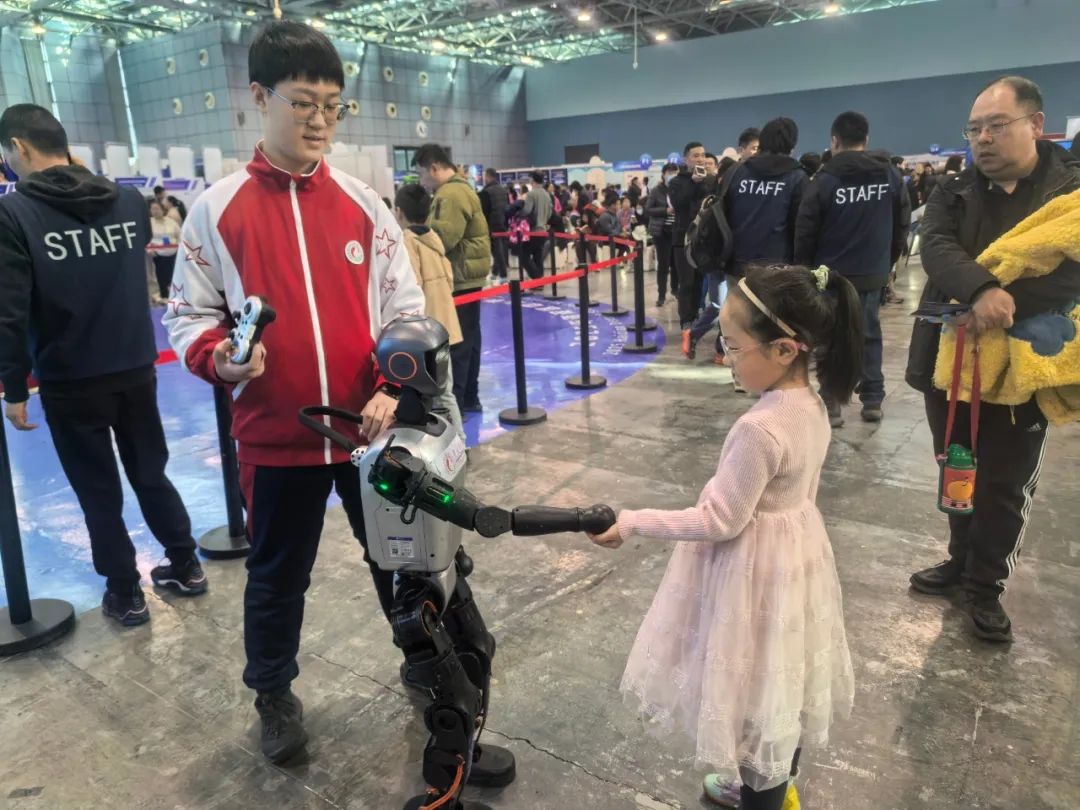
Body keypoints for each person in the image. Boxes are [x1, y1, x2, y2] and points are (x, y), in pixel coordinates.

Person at [163, 21, 425, 764]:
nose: (319, 121)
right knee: (277, 578)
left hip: (366, 433)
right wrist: (221, 360)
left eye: (333, 106)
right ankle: (273, 694)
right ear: (259, 96)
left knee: (398, 561)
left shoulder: (363, 204)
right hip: (275, 440)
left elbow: (404, 309)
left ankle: (423, 659)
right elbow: (188, 316)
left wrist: (391, 384)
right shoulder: (216, 210)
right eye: (303, 102)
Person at [586, 262, 859, 810]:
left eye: (733, 347)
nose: (725, 356)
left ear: (784, 349)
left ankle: (764, 797)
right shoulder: (813, 403)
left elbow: (719, 521)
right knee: (781, 686)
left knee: (752, 695)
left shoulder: (760, 427)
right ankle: (775, 783)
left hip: (753, 575)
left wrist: (633, 521)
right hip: (795, 562)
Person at [0, 104, 205, 628]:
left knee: (98, 492)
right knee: (151, 472)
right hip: (135, 366)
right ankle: (186, 564)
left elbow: (10, 309)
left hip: (71, 377)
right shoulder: (128, 201)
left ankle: (124, 591)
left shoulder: (14, 214)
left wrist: (13, 385)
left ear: (18, 148)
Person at [906, 76, 1080, 643]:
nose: (983, 138)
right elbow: (937, 247)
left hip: (1024, 362)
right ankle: (959, 560)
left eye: (996, 125)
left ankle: (986, 586)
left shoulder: (1070, 191)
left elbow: (1068, 272)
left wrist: (1002, 302)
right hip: (949, 359)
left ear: (1036, 124)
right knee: (956, 465)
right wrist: (980, 289)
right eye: (974, 128)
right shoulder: (954, 188)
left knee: (1005, 482)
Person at [795, 111, 909, 427]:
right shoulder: (889, 175)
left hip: (830, 276)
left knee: (830, 337)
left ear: (834, 141)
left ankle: (832, 402)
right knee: (869, 333)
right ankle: (872, 399)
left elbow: (805, 230)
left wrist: (805, 270)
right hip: (871, 272)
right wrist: (887, 263)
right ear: (866, 140)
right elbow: (902, 222)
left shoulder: (824, 180)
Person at [720, 118, 808, 387]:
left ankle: (740, 378)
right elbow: (800, 227)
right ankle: (771, 378)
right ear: (792, 146)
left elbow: (723, 215)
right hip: (778, 270)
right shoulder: (797, 178)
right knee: (774, 328)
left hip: (738, 263)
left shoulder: (737, 173)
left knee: (739, 325)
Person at [414, 142, 490, 415]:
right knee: (469, 341)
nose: (422, 181)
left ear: (433, 168)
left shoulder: (450, 194)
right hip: (468, 276)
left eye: (421, 174)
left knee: (457, 345)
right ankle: (469, 398)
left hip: (460, 278)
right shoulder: (460, 189)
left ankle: (455, 404)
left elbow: (441, 239)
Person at [394, 183, 465, 440]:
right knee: (445, 391)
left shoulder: (407, 242)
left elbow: (410, 289)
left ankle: (456, 444)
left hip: (423, 333)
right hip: (444, 326)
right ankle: (458, 443)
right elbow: (450, 281)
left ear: (399, 211)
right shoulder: (435, 240)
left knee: (432, 394)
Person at [669, 141, 715, 353]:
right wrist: (694, 183)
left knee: (699, 282)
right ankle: (686, 322)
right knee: (686, 282)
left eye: (702, 155)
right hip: (683, 239)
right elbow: (678, 204)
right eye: (695, 155)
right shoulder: (677, 182)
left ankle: (696, 316)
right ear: (686, 159)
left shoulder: (710, 180)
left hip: (704, 239)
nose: (700, 159)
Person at [644, 162, 679, 304]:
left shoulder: (678, 189)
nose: (672, 175)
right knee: (663, 264)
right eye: (669, 173)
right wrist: (665, 211)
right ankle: (661, 295)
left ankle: (675, 290)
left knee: (676, 264)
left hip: (677, 230)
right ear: (663, 174)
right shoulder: (656, 190)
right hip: (661, 232)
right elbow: (648, 209)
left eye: (675, 172)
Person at [519, 170, 552, 280]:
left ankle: (537, 277)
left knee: (523, 256)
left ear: (532, 179)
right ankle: (539, 281)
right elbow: (550, 213)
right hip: (543, 230)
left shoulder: (531, 194)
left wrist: (519, 211)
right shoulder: (547, 195)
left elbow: (526, 211)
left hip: (532, 231)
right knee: (538, 256)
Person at [478, 167, 509, 281]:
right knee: (500, 249)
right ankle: (495, 272)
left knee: (496, 251)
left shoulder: (486, 192)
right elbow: (508, 208)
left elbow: (483, 211)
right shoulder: (503, 190)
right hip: (503, 223)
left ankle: (503, 275)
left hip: (491, 225)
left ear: (487, 176)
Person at [148, 199, 181, 302]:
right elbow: (144, 238)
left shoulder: (171, 222)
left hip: (173, 254)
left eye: (157, 208)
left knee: (173, 276)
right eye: (153, 209)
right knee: (161, 277)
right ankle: (164, 297)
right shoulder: (148, 223)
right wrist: (149, 249)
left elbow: (180, 236)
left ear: (162, 209)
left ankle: (174, 296)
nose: (155, 211)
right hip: (157, 255)